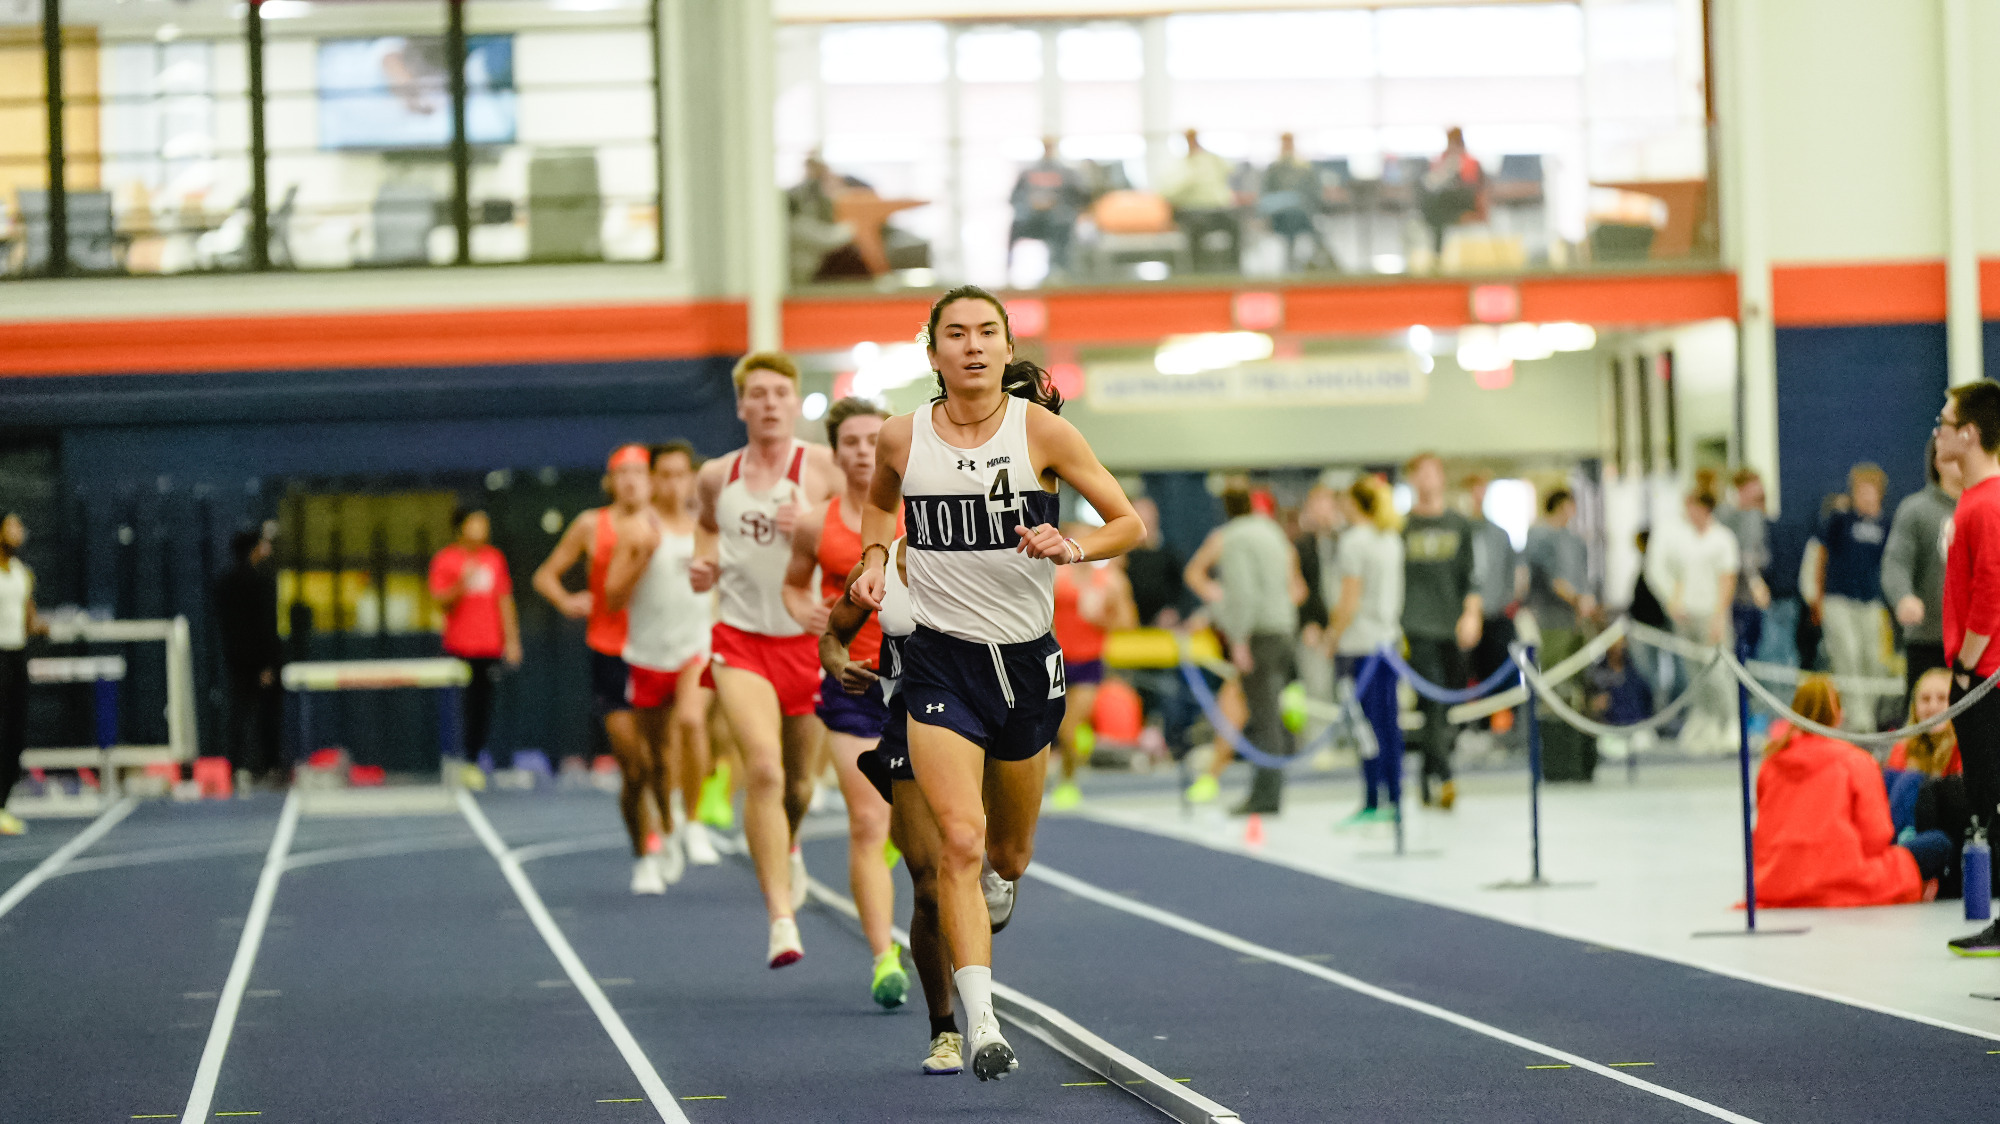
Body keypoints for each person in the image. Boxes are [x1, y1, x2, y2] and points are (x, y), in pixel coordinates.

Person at [851, 284, 1143, 1081]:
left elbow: (1128, 522)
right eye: (957, 334)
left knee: (1008, 853)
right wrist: (875, 560)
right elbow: (880, 508)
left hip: (1025, 664)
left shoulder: (1042, 430)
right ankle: (978, 1024)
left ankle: (998, 885)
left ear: (1008, 349)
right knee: (958, 840)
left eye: (988, 332)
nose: (973, 346)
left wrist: (1073, 545)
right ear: (934, 352)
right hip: (939, 661)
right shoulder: (900, 437)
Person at [690, 351, 840, 968]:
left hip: (806, 640)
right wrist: (703, 562)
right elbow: (705, 528)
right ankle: (781, 919)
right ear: (742, 405)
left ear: (795, 401)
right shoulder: (716, 475)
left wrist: (812, 524)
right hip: (740, 640)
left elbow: (864, 527)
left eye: (781, 392)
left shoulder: (822, 466)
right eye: (759, 394)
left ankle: (791, 842)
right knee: (765, 771)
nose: (771, 403)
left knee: (801, 783)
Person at [781, 396, 910, 1005]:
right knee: (866, 820)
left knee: (932, 830)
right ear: (836, 453)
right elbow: (793, 582)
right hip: (851, 679)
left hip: (922, 680)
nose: (862, 451)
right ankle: (885, 956)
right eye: (851, 442)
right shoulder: (817, 522)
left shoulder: (921, 511)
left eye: (871, 440)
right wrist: (801, 610)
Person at [825, 537, 964, 1074]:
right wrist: (839, 665)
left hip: (988, 722)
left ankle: (1000, 869)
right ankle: (945, 1030)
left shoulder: (989, 547)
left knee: (999, 860)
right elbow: (834, 634)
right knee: (929, 888)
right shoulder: (879, 567)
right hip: (908, 725)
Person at [533, 444, 663, 895]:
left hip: (663, 650)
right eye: (621, 473)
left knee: (664, 756)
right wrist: (567, 600)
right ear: (610, 481)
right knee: (634, 763)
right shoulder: (592, 524)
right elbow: (545, 575)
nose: (630, 481)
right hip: (611, 651)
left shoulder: (667, 524)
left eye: (638, 472)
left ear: (651, 479)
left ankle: (671, 828)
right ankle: (643, 850)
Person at [604, 441, 719, 884]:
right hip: (649, 655)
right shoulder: (636, 528)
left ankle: (693, 824)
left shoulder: (706, 528)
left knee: (692, 723)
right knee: (656, 760)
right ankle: (667, 832)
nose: (673, 484)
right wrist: (643, 557)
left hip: (696, 648)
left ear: (692, 478)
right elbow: (613, 597)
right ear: (652, 480)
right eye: (664, 475)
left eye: (680, 474)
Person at [1754, 676, 1949, 908]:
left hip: (1775, 881)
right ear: (1838, 714)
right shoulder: (1856, 760)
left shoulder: (1771, 762)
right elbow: (1876, 837)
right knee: (1938, 844)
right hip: (1842, 878)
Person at [1184, 482, 1306, 816]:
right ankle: (1270, 792)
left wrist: (1237, 638)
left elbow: (1243, 591)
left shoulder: (1233, 538)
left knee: (1264, 720)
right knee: (1272, 718)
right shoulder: (1273, 533)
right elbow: (1293, 588)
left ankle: (1266, 796)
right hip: (1283, 630)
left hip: (1259, 634)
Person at [1937, 382, 2000, 954]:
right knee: (1986, 791)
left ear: (1970, 434)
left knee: (1994, 790)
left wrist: (1966, 667)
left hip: (1986, 676)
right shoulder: (1971, 500)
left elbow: (1991, 592)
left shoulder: (1988, 502)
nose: (1938, 430)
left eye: (1945, 421)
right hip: (1979, 671)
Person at [1401, 453, 1481, 808]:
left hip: (1451, 626)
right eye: (1421, 473)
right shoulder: (1402, 527)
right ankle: (1446, 776)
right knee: (1431, 703)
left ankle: (1425, 777)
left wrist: (1471, 615)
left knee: (1445, 707)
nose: (1428, 479)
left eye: (1434, 471)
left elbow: (1471, 577)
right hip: (1416, 627)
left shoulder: (1459, 524)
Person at [1328, 477, 1404, 825]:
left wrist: (1332, 635)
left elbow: (1349, 599)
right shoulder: (1391, 540)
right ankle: (1395, 797)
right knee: (1389, 724)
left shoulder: (1354, 542)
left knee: (1366, 727)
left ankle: (1374, 799)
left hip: (1359, 646)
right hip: (1388, 642)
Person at [427, 508, 522, 789]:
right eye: (476, 522)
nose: (482, 527)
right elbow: (440, 600)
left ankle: (472, 761)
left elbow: (505, 601)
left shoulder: (494, 559)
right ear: (461, 527)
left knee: (481, 708)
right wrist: (461, 583)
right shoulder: (446, 559)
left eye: (485, 522)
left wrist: (512, 640)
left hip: (488, 647)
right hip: (458, 646)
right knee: (458, 708)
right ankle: (453, 760)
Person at [1049, 530, 1137, 810]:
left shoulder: (1110, 582)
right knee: (1050, 726)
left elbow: (1128, 623)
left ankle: (1067, 781)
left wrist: (1102, 617)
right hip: (1056, 659)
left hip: (1089, 662)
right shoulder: (1056, 577)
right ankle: (1069, 758)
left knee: (1068, 727)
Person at [1653, 489, 1739, 753]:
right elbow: (1677, 575)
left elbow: (1727, 580)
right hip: (1687, 614)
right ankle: (1706, 720)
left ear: (1705, 508)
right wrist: (1674, 603)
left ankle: (1730, 722)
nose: (1688, 513)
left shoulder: (1722, 538)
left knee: (1718, 672)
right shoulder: (1684, 539)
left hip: (1711, 614)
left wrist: (1718, 616)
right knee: (1695, 673)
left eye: (1692, 507)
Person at [1524, 488, 1597, 780]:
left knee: (1577, 679)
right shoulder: (1540, 537)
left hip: (1576, 621)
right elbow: (1552, 578)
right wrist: (1576, 599)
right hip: (1551, 618)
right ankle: (1553, 741)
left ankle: (1577, 738)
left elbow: (1581, 576)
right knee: (1554, 675)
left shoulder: (1575, 541)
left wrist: (1585, 603)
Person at [1884, 436, 1961, 707]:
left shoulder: (1984, 505)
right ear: (1938, 461)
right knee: (1925, 714)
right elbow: (1896, 563)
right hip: (1928, 640)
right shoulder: (1916, 510)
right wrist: (1903, 596)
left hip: (1976, 641)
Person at [1814, 463, 1892, 731]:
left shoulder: (1885, 524)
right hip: (1839, 599)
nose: (1866, 497)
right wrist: (1817, 597)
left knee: (1873, 659)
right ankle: (1854, 715)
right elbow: (1821, 555)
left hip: (1870, 601)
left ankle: (1867, 715)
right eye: (1861, 491)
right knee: (1847, 654)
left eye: (1871, 491)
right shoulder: (1840, 520)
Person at [214, 527, 284, 795]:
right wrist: (267, 664)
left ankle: (237, 768)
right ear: (253, 549)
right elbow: (264, 626)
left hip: (237, 661)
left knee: (239, 716)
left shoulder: (224, 583)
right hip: (256, 663)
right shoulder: (259, 582)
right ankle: (269, 767)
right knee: (264, 716)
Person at [1463, 472, 1520, 729]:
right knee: (1467, 672)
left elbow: (1511, 574)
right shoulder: (1462, 531)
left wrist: (1506, 603)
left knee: (1498, 669)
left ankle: (1502, 724)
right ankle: (1472, 724)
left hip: (1496, 615)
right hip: (1466, 618)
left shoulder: (1500, 534)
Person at [0, 513, 45, 835]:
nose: (19, 531)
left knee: (15, 735)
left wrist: (41, 626)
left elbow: (30, 620)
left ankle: (2, 805)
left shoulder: (22, 573)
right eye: (13, 525)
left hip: (16, 656)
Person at [1008, 138, 1089, 278]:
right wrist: (1031, 204)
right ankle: (1009, 268)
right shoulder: (1028, 172)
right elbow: (1014, 198)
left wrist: (1057, 205)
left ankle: (1059, 270)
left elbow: (1080, 197)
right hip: (1032, 217)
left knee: (1062, 223)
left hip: (1057, 218)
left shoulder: (1067, 172)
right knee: (1016, 223)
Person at [1162, 129, 1240, 274]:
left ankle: (1234, 269)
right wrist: (1191, 175)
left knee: (1235, 223)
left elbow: (1231, 170)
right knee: (1194, 229)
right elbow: (1168, 193)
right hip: (1192, 211)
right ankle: (1197, 271)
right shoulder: (1178, 165)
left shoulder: (1211, 160)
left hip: (1217, 209)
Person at [1259, 133, 1333, 271]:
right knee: (1291, 221)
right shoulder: (1274, 169)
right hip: (1281, 217)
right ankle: (1294, 262)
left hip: (1304, 213)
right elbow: (1265, 194)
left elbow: (1315, 193)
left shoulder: (1304, 168)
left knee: (1304, 222)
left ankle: (1317, 260)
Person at [1720, 469, 1773, 658]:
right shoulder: (1727, 515)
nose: (1759, 490)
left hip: (1747, 600)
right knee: (1740, 651)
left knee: (1752, 650)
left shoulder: (1755, 515)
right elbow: (1744, 557)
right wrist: (1755, 583)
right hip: (1737, 597)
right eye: (1754, 486)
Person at [1418, 126, 1483, 257]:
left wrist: (1456, 167)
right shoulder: (1442, 159)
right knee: (1433, 204)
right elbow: (1432, 182)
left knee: (1437, 207)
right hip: (1445, 203)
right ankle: (1437, 253)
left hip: (1463, 200)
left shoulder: (1469, 160)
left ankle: (1437, 253)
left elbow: (1471, 187)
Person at [1888, 667, 1960, 778]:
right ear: (1914, 708)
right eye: (1925, 699)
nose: (1933, 707)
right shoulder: (1902, 749)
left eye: (1942, 698)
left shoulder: (1966, 749)